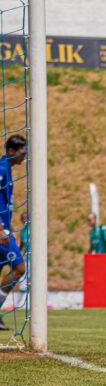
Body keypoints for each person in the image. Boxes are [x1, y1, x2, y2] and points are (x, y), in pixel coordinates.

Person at [0, 135, 26, 331]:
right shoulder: (1, 169)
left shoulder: (6, 169)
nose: (24, 156)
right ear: (11, 151)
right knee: (19, 268)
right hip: (0, 230)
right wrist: (1, 229)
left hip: (5, 227)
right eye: (22, 152)